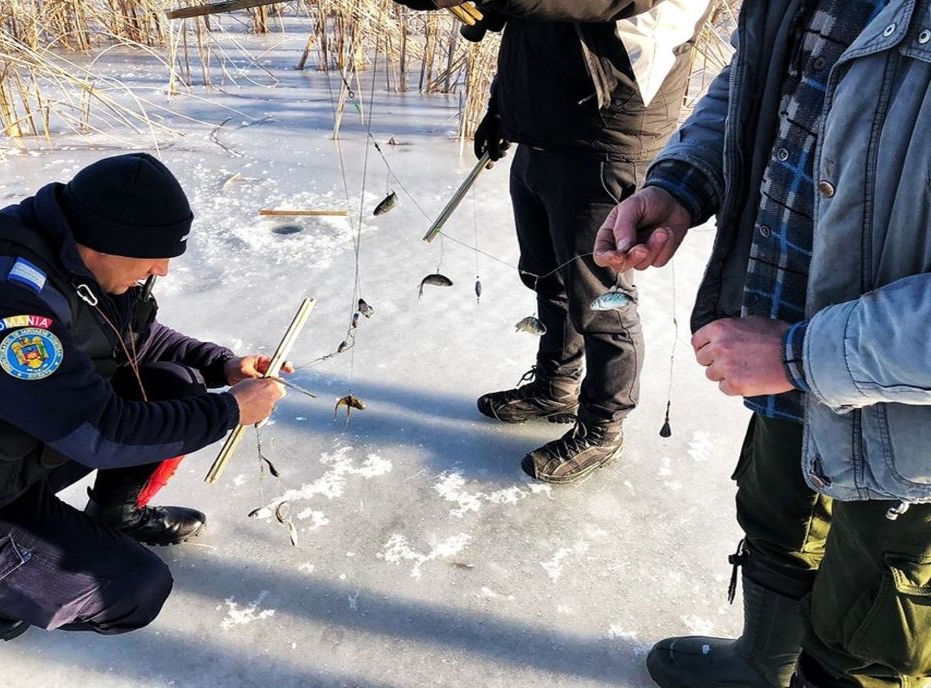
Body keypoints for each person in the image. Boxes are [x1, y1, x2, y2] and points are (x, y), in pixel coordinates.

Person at [595, 1, 931, 686]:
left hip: (909, 423)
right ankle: (763, 664)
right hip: (785, 338)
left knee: (873, 622)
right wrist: (682, 182)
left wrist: (803, 353)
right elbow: (762, 82)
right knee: (778, 519)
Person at [0, 153, 288, 642]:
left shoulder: (70, 252)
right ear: (110, 241)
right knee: (133, 589)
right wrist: (229, 410)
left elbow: (125, 336)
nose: (161, 268)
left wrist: (221, 365)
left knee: (175, 384)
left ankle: (116, 514)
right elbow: (101, 431)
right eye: (153, 255)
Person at [396, 0, 710, 483]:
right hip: (544, 128)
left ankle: (604, 427)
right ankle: (556, 384)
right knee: (548, 276)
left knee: (603, 301)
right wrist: (503, 107)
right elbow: (535, 24)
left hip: (606, 140)